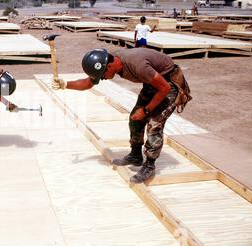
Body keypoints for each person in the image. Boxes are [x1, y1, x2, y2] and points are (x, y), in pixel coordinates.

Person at [51, 48, 191, 183]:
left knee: (154, 124)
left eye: (103, 76)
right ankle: (136, 156)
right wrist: (64, 84)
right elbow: (88, 83)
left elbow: (164, 88)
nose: (103, 79)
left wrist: (146, 110)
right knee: (135, 118)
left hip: (169, 84)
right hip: (153, 81)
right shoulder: (109, 61)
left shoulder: (138, 66)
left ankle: (149, 165)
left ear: (110, 66)